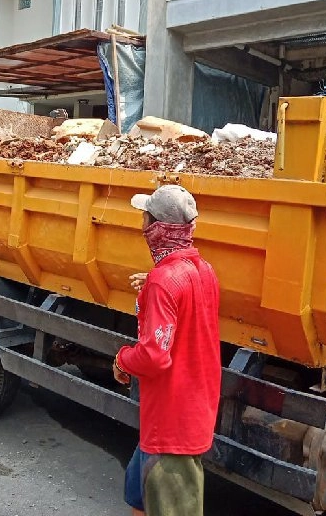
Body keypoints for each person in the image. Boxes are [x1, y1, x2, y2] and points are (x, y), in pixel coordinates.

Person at [113, 185, 222, 516]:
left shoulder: (164, 280)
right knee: (138, 498)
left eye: (145, 219)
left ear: (157, 229)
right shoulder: (204, 272)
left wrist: (121, 360)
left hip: (171, 426)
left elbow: (153, 356)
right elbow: (184, 308)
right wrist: (150, 286)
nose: (142, 226)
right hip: (185, 416)